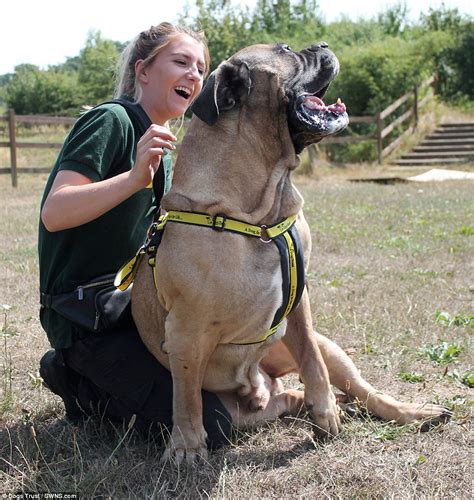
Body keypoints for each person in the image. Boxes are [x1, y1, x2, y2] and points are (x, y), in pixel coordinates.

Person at [38, 22, 234, 448]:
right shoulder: (111, 121)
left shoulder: (159, 148)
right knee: (214, 426)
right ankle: (70, 376)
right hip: (85, 319)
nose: (195, 76)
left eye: (201, 69)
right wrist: (131, 178)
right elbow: (55, 211)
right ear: (143, 71)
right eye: (181, 62)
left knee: (220, 389)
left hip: (131, 310)